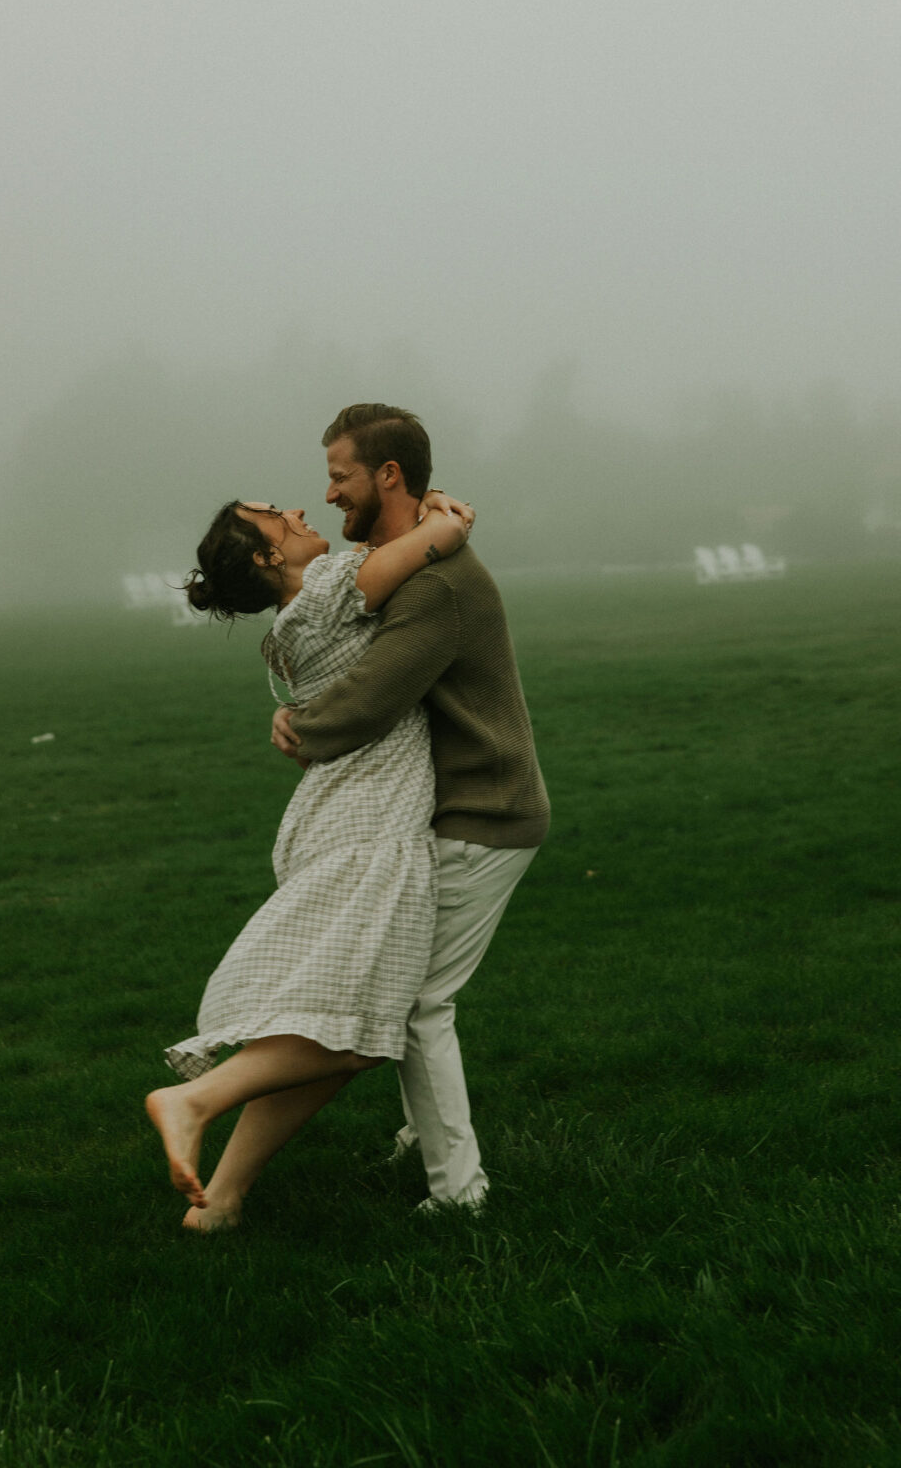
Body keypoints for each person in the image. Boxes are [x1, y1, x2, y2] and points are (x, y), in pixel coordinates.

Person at [145, 487, 474, 1227]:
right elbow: (433, 541)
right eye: (279, 521)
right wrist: (447, 520)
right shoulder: (328, 590)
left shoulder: (288, 630)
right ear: (268, 557)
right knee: (357, 1034)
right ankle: (193, 1099)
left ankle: (221, 1200)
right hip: (370, 830)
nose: (300, 514)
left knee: (324, 1025)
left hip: (333, 821)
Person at [267, 405, 551, 1213]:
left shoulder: (436, 585)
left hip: (486, 813)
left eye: (339, 475)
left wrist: (301, 727)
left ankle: (457, 1192)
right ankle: (423, 1139)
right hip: (451, 809)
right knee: (402, 986)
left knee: (419, 999)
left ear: (388, 475)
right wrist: (440, 517)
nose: (326, 494)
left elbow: (370, 698)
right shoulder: (416, 555)